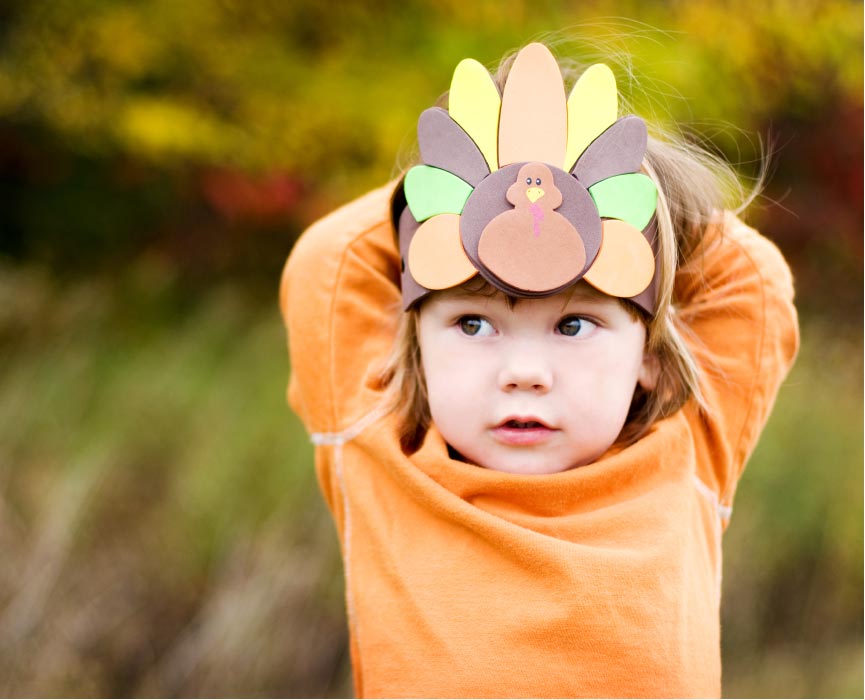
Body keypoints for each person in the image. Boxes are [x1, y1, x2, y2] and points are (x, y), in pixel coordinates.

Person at [280, 40, 798, 697]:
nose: (523, 372)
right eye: (473, 324)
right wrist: (464, 177)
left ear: (651, 358)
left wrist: (601, 179)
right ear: (418, 344)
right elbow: (330, 259)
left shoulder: (691, 453)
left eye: (573, 325)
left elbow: (749, 274)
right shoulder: (375, 447)